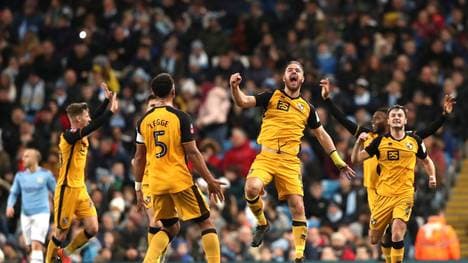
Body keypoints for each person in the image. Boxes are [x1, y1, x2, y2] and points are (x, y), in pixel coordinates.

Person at [229, 61, 355, 263]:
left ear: (302, 79)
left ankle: (298, 255)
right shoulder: (271, 96)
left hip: (289, 161)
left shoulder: (307, 108)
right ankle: (262, 223)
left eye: (298, 70)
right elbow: (243, 102)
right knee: (251, 189)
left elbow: (322, 135)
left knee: (297, 205)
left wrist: (338, 160)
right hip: (267, 157)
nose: (294, 72)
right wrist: (234, 88)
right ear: (284, 78)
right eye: (290, 70)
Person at [321, 80, 455, 262]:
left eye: (378, 117)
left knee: (397, 228)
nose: (373, 120)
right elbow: (343, 120)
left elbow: (428, 132)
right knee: (376, 236)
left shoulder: (409, 138)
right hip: (375, 190)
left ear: (389, 120)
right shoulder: (370, 137)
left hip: (402, 191)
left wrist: (443, 116)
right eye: (373, 117)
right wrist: (328, 101)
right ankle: (386, 257)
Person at [133, 73, 225, 263]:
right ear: (173, 92)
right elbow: (192, 152)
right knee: (205, 222)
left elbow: (139, 157)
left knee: (170, 227)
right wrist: (210, 180)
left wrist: (138, 187)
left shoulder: (143, 121)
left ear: (154, 93)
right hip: (178, 179)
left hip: (156, 183)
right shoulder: (181, 117)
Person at [351, 105, 437, 263]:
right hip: (383, 196)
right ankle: (387, 257)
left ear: (405, 120)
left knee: (397, 232)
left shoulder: (414, 140)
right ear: (389, 121)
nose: (397, 117)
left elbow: (427, 161)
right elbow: (356, 159)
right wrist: (358, 143)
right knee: (374, 238)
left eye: (399, 115)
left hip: (405, 194)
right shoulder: (380, 142)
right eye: (393, 115)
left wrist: (432, 176)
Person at [45, 83, 118, 263]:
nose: (89, 117)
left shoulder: (80, 131)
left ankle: (65, 253)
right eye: (86, 115)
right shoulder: (68, 136)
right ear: (78, 119)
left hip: (80, 188)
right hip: (67, 189)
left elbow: (93, 121)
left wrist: (106, 101)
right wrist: (110, 112)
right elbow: (94, 125)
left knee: (93, 228)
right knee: (61, 231)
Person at [6, 148, 56, 263]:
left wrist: (58, 208)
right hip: (26, 215)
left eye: (27, 156)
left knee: (36, 244)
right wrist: (9, 206)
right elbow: (14, 192)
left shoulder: (45, 175)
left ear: (35, 159)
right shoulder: (20, 176)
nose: (23, 158)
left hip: (41, 213)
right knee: (29, 247)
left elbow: (56, 192)